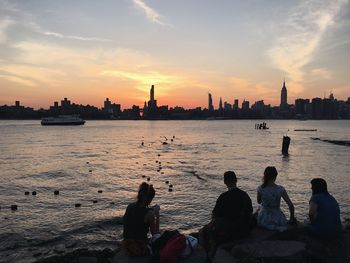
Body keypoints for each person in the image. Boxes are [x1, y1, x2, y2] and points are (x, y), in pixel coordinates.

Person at [199, 171, 253, 262]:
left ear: (225, 182)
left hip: (229, 233)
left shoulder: (223, 197)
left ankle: (208, 254)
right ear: (236, 180)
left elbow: (214, 215)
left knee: (202, 231)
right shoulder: (245, 195)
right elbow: (250, 213)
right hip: (244, 231)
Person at [123, 182, 160, 257]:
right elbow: (155, 235)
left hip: (126, 244)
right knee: (161, 240)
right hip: (140, 248)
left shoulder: (129, 206)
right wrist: (157, 215)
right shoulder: (150, 214)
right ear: (149, 199)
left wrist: (151, 210)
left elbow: (138, 215)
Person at [256, 166, 296, 232]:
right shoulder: (280, 189)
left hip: (264, 217)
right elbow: (291, 205)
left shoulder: (260, 188)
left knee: (258, 209)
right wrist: (291, 218)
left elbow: (259, 202)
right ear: (276, 176)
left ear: (265, 176)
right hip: (277, 217)